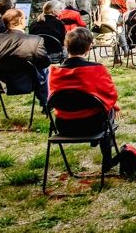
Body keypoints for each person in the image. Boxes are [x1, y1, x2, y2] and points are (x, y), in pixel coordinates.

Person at [48, 27, 121, 172]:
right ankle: (107, 159)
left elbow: (53, 97)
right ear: (89, 47)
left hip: (64, 125)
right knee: (109, 111)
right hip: (93, 124)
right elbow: (111, 95)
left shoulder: (55, 72)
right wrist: (115, 106)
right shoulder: (97, 69)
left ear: (65, 45)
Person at [0, 8, 51, 110]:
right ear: (21, 21)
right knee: (46, 71)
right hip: (30, 83)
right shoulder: (35, 40)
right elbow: (45, 63)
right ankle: (45, 103)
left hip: (1, 84)